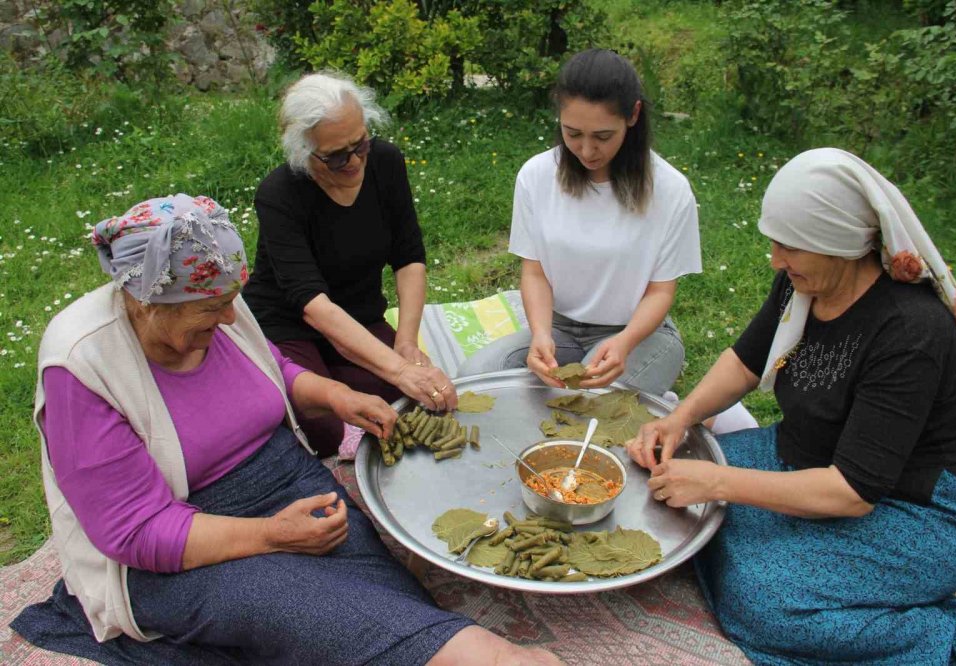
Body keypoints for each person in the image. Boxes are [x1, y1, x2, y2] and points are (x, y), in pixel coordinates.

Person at [10, 195, 560, 666]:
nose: (230, 319)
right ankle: (497, 658)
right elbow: (134, 533)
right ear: (148, 301)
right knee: (318, 611)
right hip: (176, 547)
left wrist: (338, 397)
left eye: (231, 303)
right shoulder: (83, 365)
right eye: (212, 309)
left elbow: (272, 369)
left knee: (381, 596)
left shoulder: (218, 301)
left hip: (282, 483)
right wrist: (272, 537)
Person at [626, 148, 956, 665]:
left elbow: (853, 492)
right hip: (809, 455)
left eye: (790, 248)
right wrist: (677, 418)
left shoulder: (910, 331)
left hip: (921, 508)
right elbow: (746, 361)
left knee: (764, 599)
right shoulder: (801, 284)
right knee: (665, 492)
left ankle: (954, 637)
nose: (776, 260)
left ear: (841, 243)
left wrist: (717, 481)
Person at [457, 49, 701, 394]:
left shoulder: (670, 190)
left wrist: (625, 342)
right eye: (573, 134)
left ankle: (662, 402)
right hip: (559, 330)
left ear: (633, 115)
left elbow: (661, 291)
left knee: (592, 404)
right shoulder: (536, 176)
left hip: (636, 333)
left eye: (602, 137)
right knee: (474, 379)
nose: (587, 151)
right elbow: (535, 271)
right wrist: (540, 334)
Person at [243, 71, 456, 458]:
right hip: (288, 321)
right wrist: (399, 368)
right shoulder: (279, 195)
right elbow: (312, 304)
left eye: (360, 144)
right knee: (323, 430)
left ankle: (342, 371)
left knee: (400, 400)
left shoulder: (386, 163)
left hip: (358, 314)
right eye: (336, 156)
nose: (354, 161)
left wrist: (405, 345)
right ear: (304, 152)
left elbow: (409, 258)